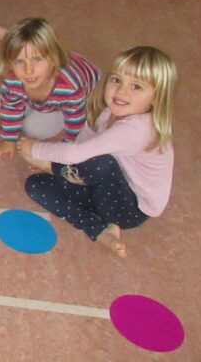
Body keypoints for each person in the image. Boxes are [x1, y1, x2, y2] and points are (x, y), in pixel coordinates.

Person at [18, 46, 177, 259]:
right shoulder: (109, 110)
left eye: (136, 86)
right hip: (102, 189)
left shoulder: (136, 130)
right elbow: (83, 141)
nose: (121, 91)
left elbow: (78, 154)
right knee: (36, 185)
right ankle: (99, 229)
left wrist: (38, 152)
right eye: (116, 80)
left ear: (156, 98)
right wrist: (64, 168)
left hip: (130, 209)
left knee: (102, 163)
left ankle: (112, 221)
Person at [0, 18, 100, 159]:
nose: (29, 70)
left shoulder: (71, 88)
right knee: (3, 104)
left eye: (37, 59)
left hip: (81, 92)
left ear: (53, 59)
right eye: (19, 61)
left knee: (34, 129)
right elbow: (10, 107)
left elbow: (75, 125)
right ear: (10, 63)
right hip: (47, 95)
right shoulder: (12, 78)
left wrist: (60, 156)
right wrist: (9, 141)